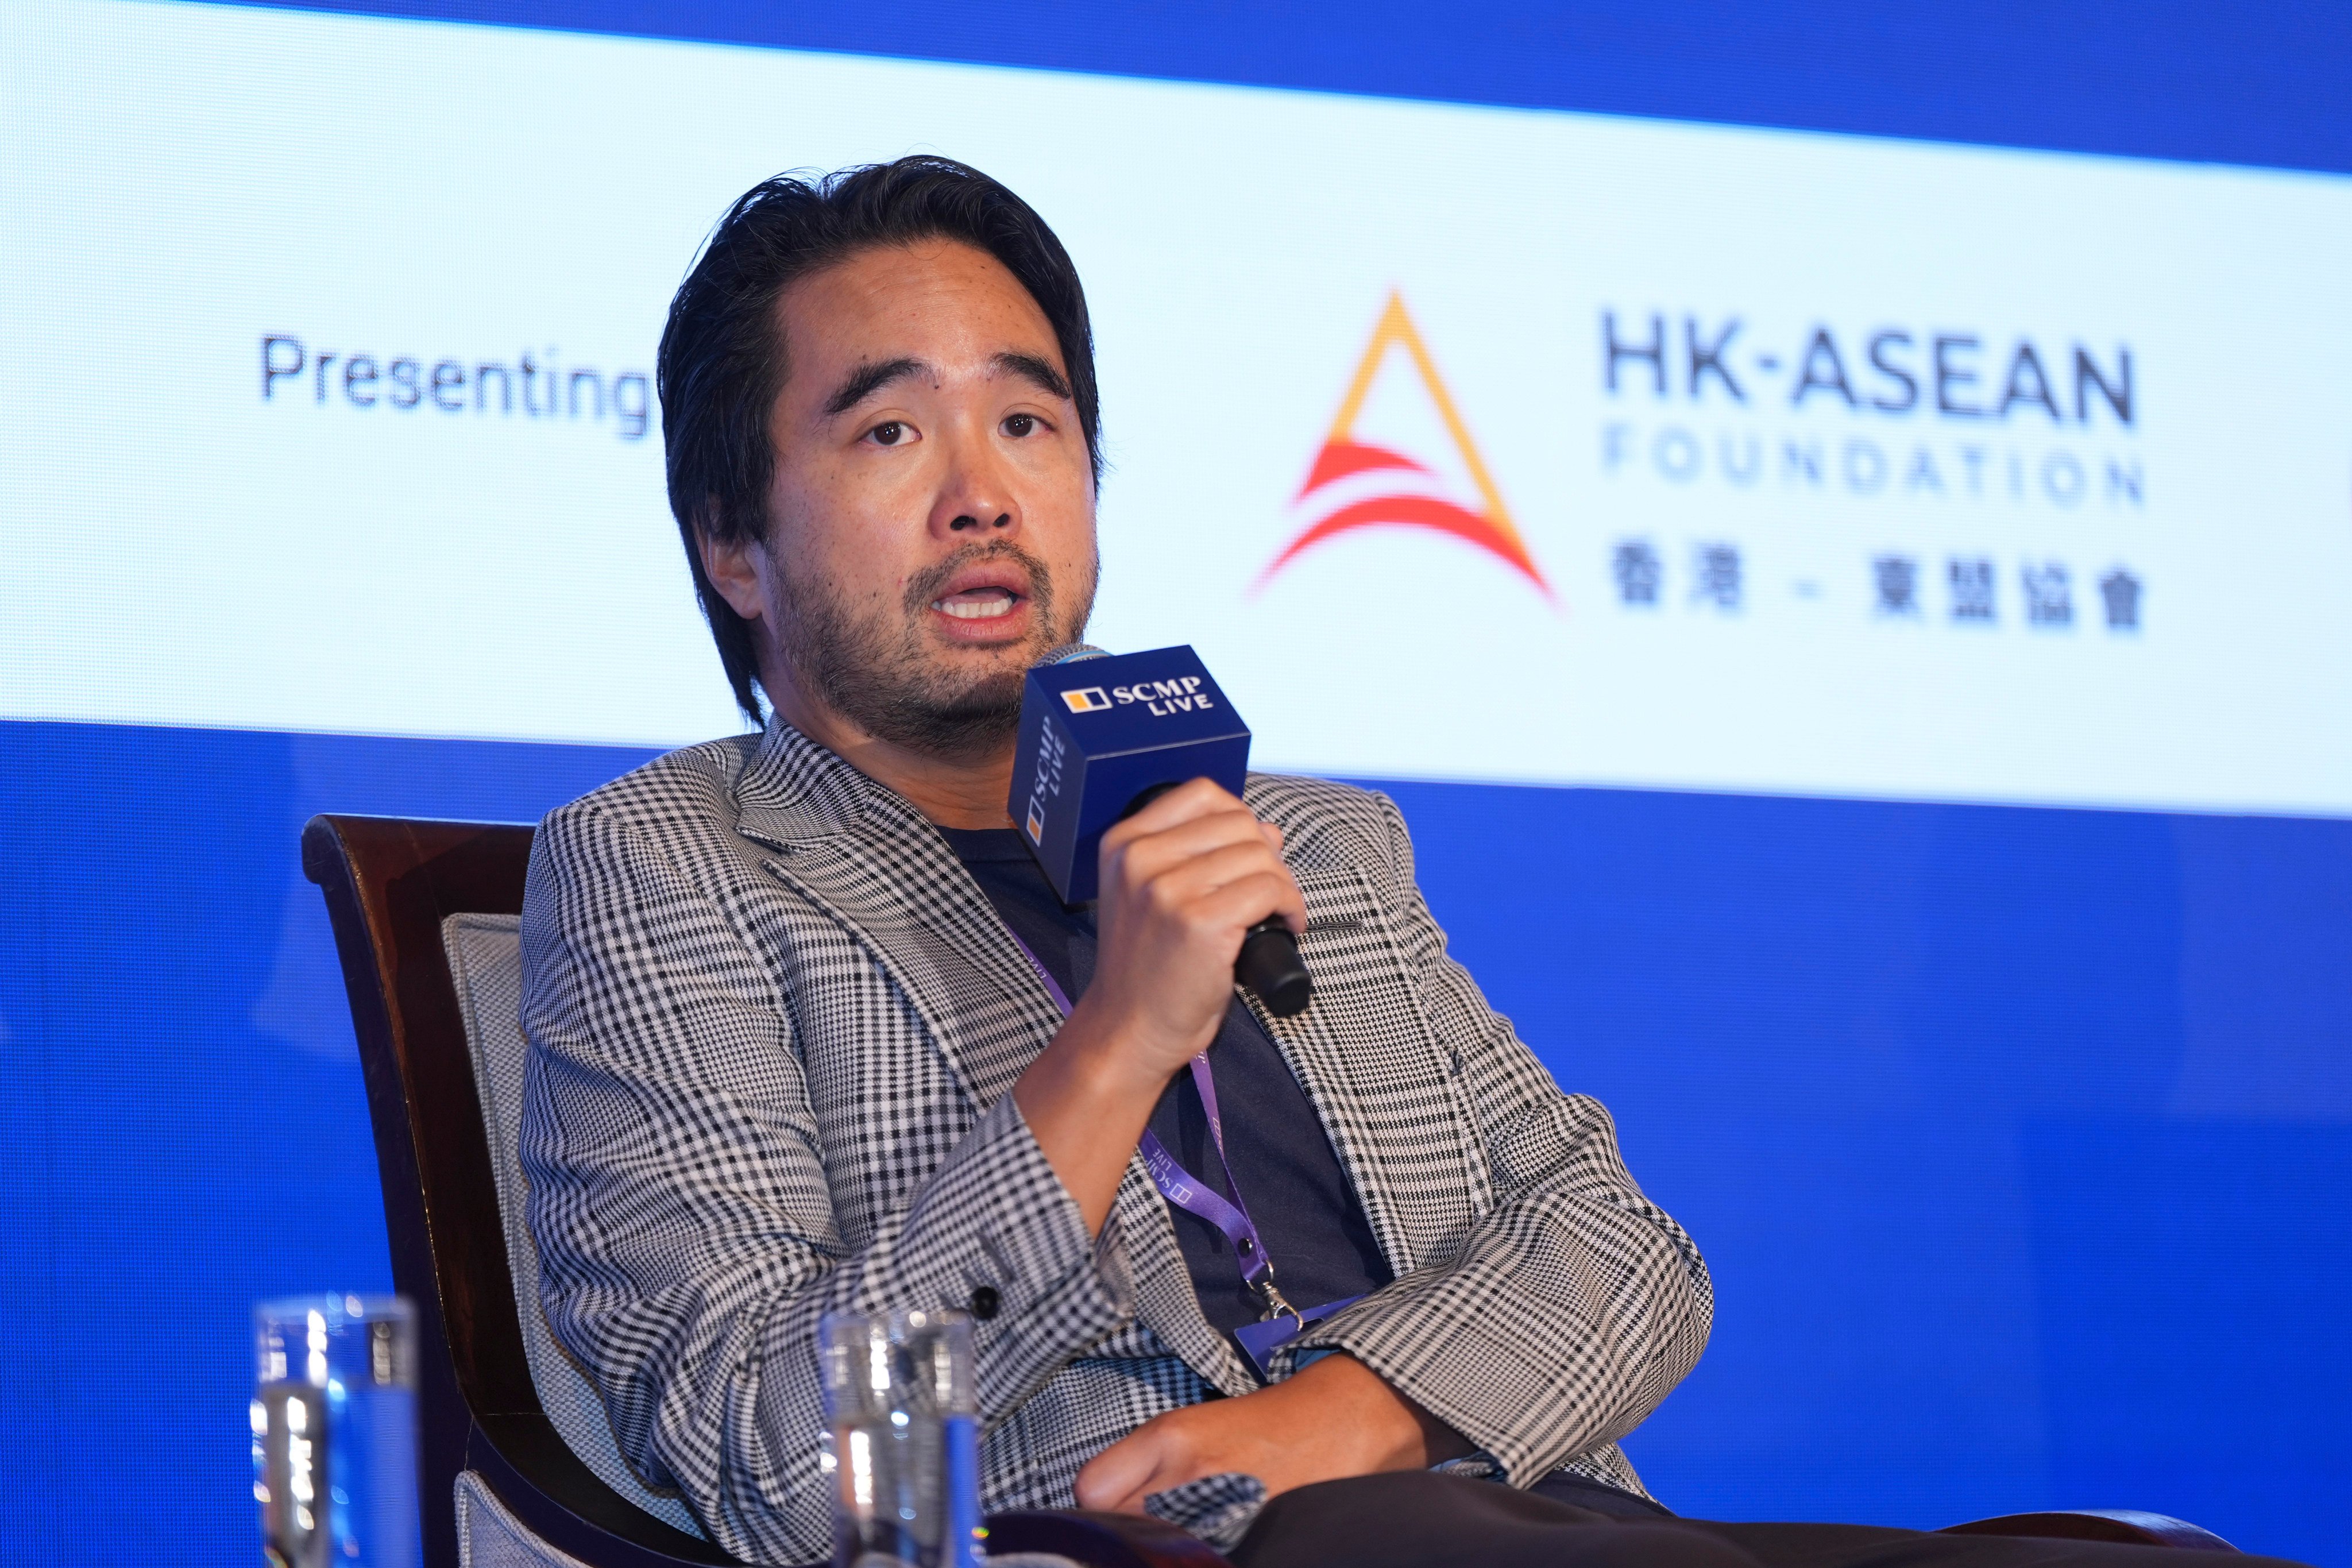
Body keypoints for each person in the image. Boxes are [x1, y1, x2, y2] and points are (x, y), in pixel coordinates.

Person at [518, 158, 2289, 1568]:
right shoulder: (670, 870)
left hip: (1516, 1503)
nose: (984, 490)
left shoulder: (1302, 835)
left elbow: (1621, 1240)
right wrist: (1116, 1043)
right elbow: (777, 1461)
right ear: (734, 543)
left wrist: (1356, 1408)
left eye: (1032, 422)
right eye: (893, 430)